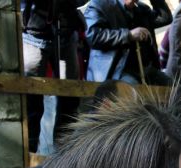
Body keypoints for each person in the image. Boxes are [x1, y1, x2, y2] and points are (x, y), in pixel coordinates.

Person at [21, 0, 85, 153]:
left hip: (66, 30)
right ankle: (28, 152)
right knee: (32, 99)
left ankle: (66, 151)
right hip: (34, 32)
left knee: (70, 98)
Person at [84, 0, 172, 85]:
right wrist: (128, 35)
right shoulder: (99, 4)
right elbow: (93, 36)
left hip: (145, 70)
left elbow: (165, 18)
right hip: (116, 72)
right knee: (133, 93)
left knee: (175, 90)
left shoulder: (141, 8)